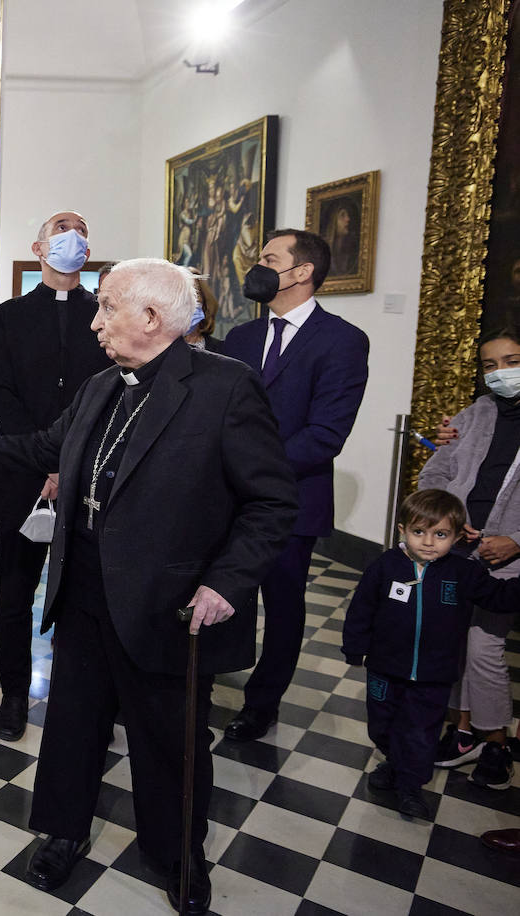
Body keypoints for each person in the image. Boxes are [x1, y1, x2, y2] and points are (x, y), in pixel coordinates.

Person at [0, 258, 297, 914]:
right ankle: (63, 833)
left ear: (152, 317)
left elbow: (272, 501)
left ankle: (178, 859)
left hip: (167, 602)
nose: (95, 322)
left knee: (168, 740)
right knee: (73, 722)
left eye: (108, 307)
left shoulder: (226, 389)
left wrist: (227, 583)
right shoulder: (101, 385)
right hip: (86, 585)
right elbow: (41, 448)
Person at [221, 229, 369, 742]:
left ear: (301, 272)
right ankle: (210, 676)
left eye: (268, 258)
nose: (255, 266)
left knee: (282, 606)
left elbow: (326, 434)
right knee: (222, 593)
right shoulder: (240, 339)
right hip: (225, 498)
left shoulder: (342, 340)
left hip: (291, 499)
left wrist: (251, 469)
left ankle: (262, 703)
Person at [0, 210, 110, 741]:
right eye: (61, 228)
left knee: (85, 592)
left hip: (90, 475)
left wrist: (70, 461)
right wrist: (44, 460)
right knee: (15, 590)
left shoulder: (105, 312)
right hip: (21, 473)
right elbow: (0, 395)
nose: (72, 236)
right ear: (39, 248)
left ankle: (81, 696)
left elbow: (112, 390)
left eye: (81, 228)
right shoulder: (10, 315)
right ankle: (14, 694)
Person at [341, 489, 520, 818]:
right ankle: (394, 763)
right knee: (381, 725)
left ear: (456, 536)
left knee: (421, 731)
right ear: (402, 530)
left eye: (440, 534)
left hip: (434, 674)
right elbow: (361, 610)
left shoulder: (463, 573)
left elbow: (499, 597)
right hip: (384, 668)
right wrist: (354, 648)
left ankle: (411, 785)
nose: (428, 542)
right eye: (419, 532)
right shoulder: (385, 567)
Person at [420, 326, 520, 789]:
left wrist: (517, 540)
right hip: (458, 548)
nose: (501, 373)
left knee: (484, 647)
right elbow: (437, 471)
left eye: (512, 361)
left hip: (505, 556)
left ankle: (496, 739)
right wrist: (449, 521)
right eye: (490, 365)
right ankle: (462, 731)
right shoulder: (476, 413)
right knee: (456, 641)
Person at [184, 269, 222, 353]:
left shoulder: (221, 348)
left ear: (204, 300)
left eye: (195, 293)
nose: (189, 300)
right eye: (182, 294)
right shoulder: (160, 348)